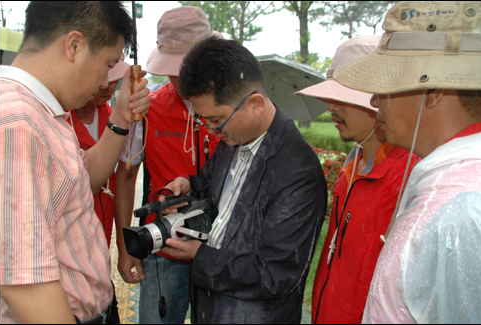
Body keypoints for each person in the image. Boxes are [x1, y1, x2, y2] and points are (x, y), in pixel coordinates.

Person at [333, 1, 481, 323]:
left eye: (386, 84)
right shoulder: (461, 193)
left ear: (432, 90)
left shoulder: (462, 216)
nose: (375, 101)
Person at [0, 2, 150, 324]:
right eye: (108, 63)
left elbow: (83, 178)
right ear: (74, 45)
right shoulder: (17, 124)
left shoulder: (42, 111)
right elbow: (24, 282)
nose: (105, 80)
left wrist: (121, 117)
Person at [158, 36, 328, 324]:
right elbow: (212, 186)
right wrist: (189, 185)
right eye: (203, 121)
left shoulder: (298, 173)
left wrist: (201, 257)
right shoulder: (232, 137)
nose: (211, 130)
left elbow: (276, 274)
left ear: (255, 104)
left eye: (216, 120)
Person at [294, 35, 418, 324]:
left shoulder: (409, 177)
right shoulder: (354, 163)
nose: (330, 107)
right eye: (330, 95)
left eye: (342, 97)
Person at [115, 6, 220, 324]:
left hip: (220, 249)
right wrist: (125, 246)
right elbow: (126, 173)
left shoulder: (233, 106)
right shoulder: (148, 110)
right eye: (172, 68)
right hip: (164, 247)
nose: (178, 78)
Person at [67, 56, 130, 248]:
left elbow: (124, 178)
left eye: (116, 78)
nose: (110, 86)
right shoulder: (58, 121)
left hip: (101, 237)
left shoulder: (113, 117)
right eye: (107, 75)